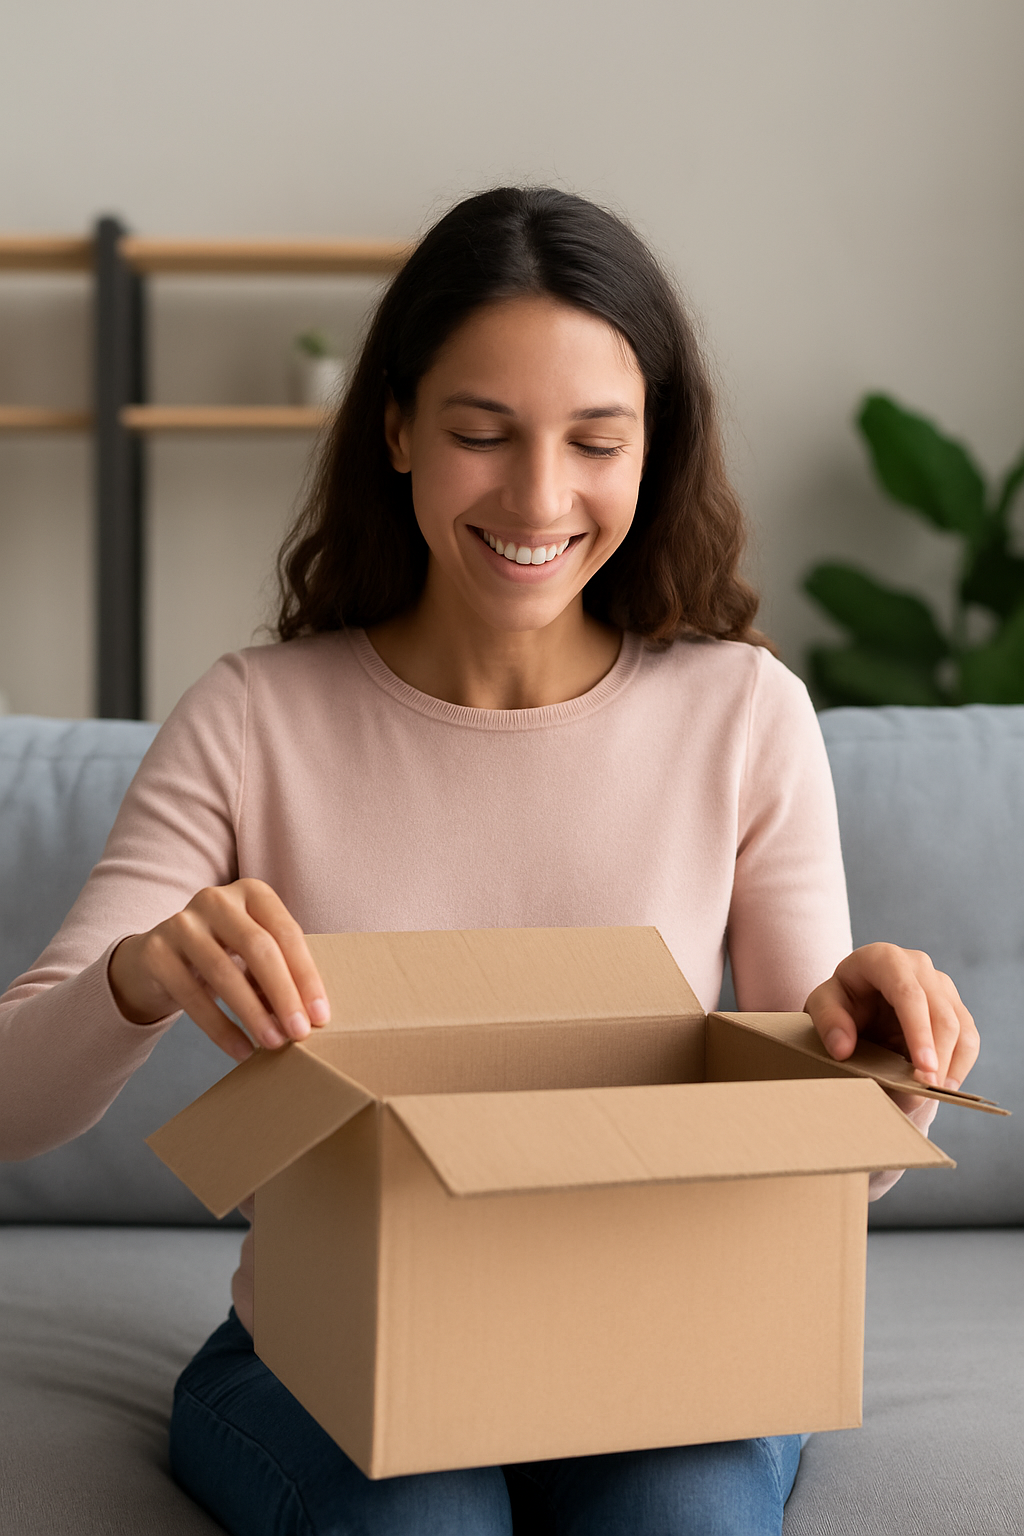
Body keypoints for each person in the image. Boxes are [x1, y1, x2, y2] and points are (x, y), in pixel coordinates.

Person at [0, 187, 979, 1536]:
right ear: (396, 427)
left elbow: (832, 1162)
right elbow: (12, 1108)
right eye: (481, 434)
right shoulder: (254, 718)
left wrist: (880, 1058)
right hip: (331, 1351)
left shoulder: (742, 714)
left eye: (596, 441)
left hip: (665, 1346)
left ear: (654, 449)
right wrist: (136, 975)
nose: (539, 496)